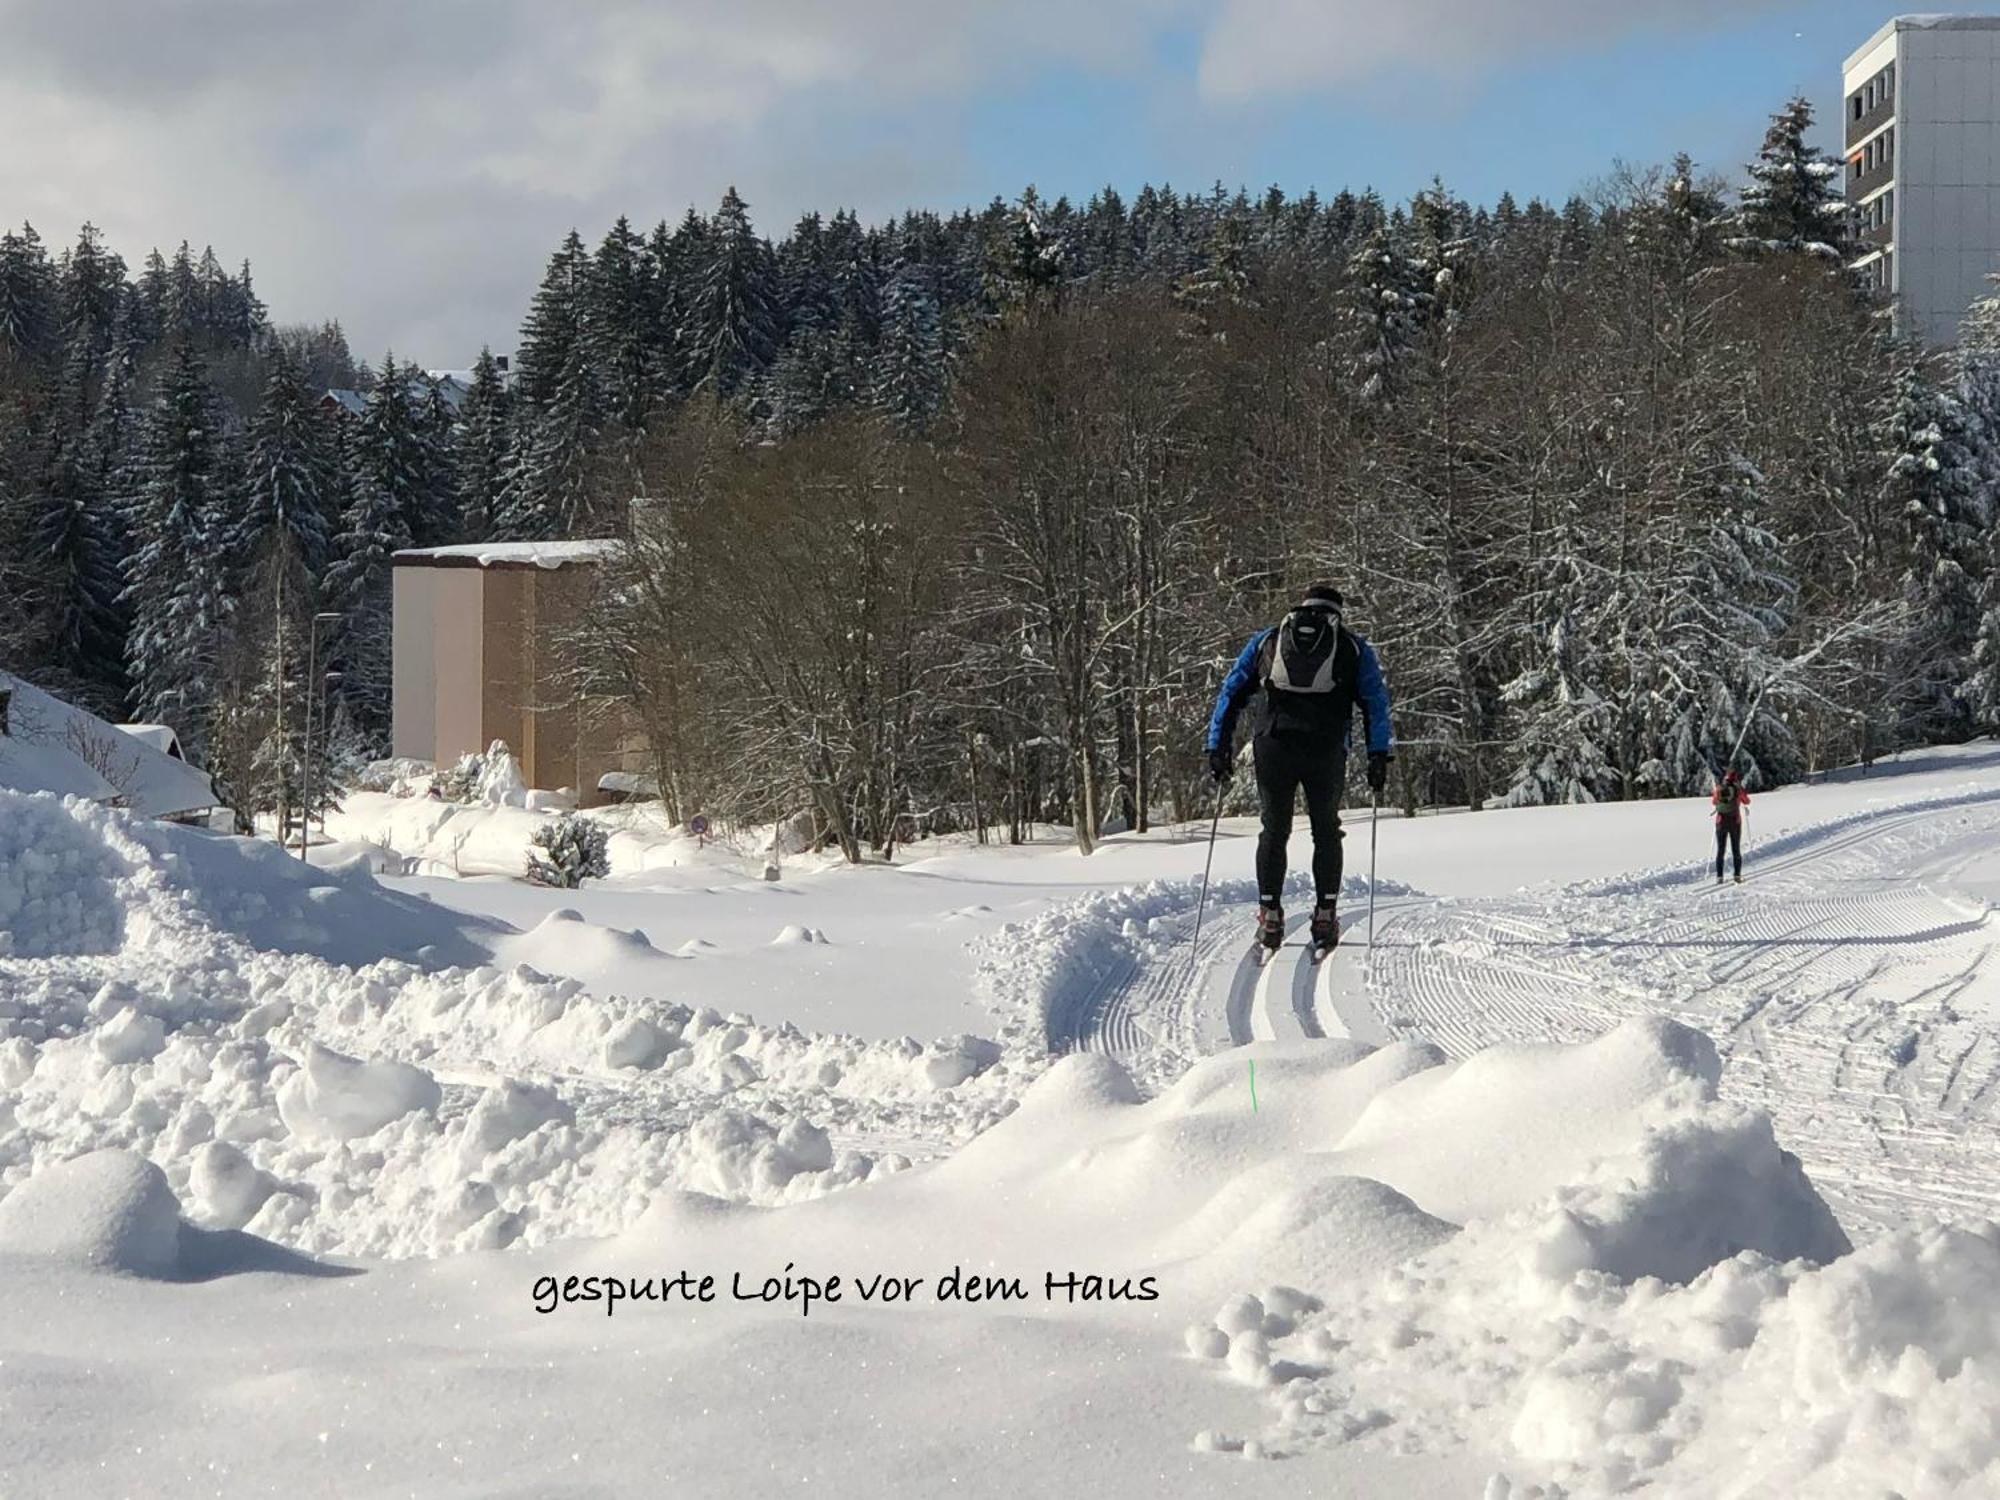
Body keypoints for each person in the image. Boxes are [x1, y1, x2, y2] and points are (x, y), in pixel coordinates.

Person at [1205, 583, 1393, 953]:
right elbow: (1375, 701)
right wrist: (1378, 753)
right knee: (1326, 831)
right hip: (1325, 748)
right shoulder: (1352, 647)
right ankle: (1325, 914)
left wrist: (1218, 746)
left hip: (1273, 745)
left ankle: (1270, 914)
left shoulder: (1270, 639)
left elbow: (1232, 691)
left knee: (1274, 830)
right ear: (1338, 613)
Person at [1712, 770, 1749, 885]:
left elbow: (1714, 802)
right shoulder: (1738, 789)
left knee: (1720, 850)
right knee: (1736, 849)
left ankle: (1719, 876)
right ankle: (1737, 876)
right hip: (1735, 821)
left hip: (1720, 821)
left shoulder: (1719, 788)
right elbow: (1747, 801)